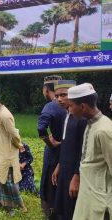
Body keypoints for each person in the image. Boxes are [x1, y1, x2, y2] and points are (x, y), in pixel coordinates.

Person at [68, 83, 112, 220]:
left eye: (71, 106)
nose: (69, 110)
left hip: (100, 202)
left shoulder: (104, 130)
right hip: (88, 196)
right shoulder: (89, 123)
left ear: (82, 107)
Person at [47, 80, 87, 220]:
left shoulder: (81, 119)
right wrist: (59, 165)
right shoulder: (67, 115)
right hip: (64, 169)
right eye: (57, 95)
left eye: (63, 95)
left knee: (73, 209)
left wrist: (77, 176)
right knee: (62, 207)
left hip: (75, 172)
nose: (59, 99)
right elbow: (66, 144)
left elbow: (84, 151)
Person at [37, 75, 66, 219]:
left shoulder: (51, 106)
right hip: (69, 153)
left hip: (54, 154)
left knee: (49, 187)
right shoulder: (71, 105)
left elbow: (41, 128)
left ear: (45, 89)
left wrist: (50, 142)